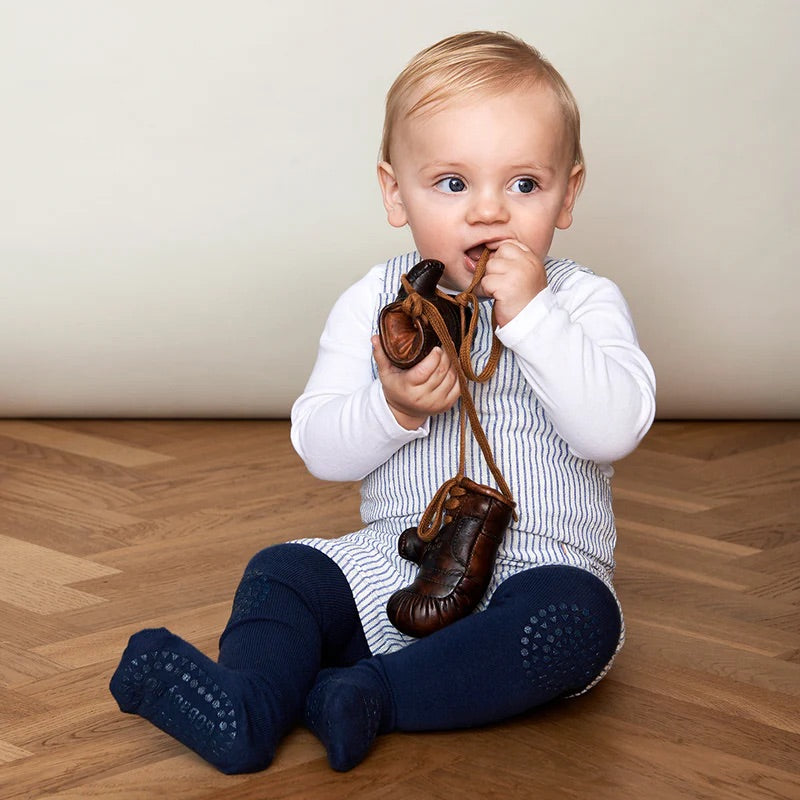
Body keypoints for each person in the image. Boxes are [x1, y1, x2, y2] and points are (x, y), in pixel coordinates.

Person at [109, 30, 656, 775]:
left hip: (543, 568)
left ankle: (372, 694)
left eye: (524, 184)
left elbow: (612, 429)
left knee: (575, 623)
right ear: (396, 193)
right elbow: (319, 447)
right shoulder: (373, 299)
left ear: (568, 193)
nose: (488, 213)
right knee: (285, 571)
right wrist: (393, 408)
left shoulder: (585, 301)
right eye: (453, 184)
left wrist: (533, 317)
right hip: (400, 560)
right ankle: (249, 702)